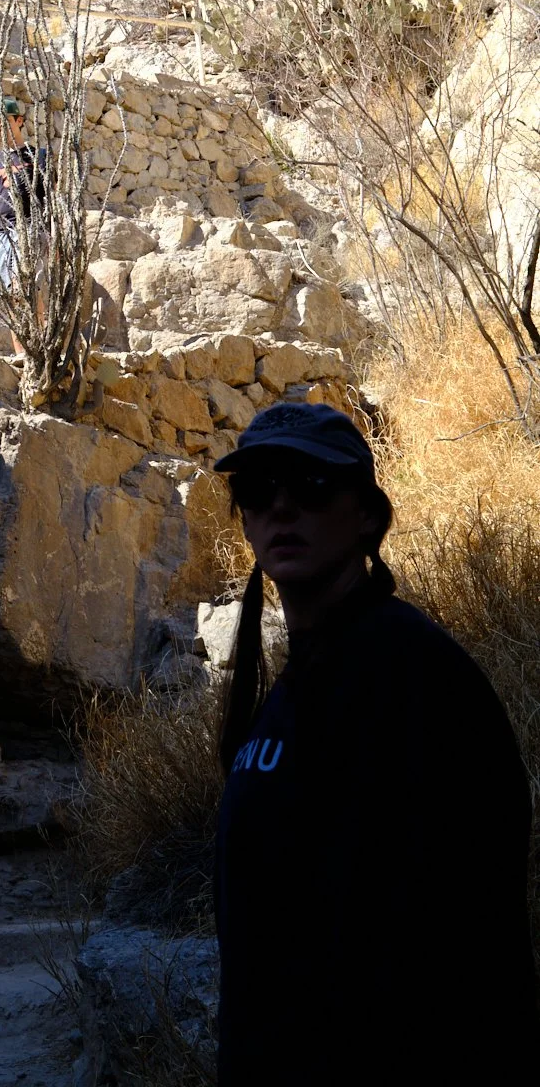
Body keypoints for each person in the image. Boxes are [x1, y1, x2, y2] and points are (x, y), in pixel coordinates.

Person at [213, 400, 537, 1087]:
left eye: (312, 485)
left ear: (367, 515)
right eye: (258, 489)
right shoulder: (293, 685)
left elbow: (454, 928)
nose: (281, 507)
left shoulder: (414, 676)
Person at [0, 96, 45, 359]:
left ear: (19, 120)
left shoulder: (39, 157)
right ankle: (22, 353)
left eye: (4, 122)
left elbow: (52, 195)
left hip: (31, 226)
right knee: (11, 294)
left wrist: (54, 233)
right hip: (2, 233)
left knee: (27, 286)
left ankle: (41, 345)